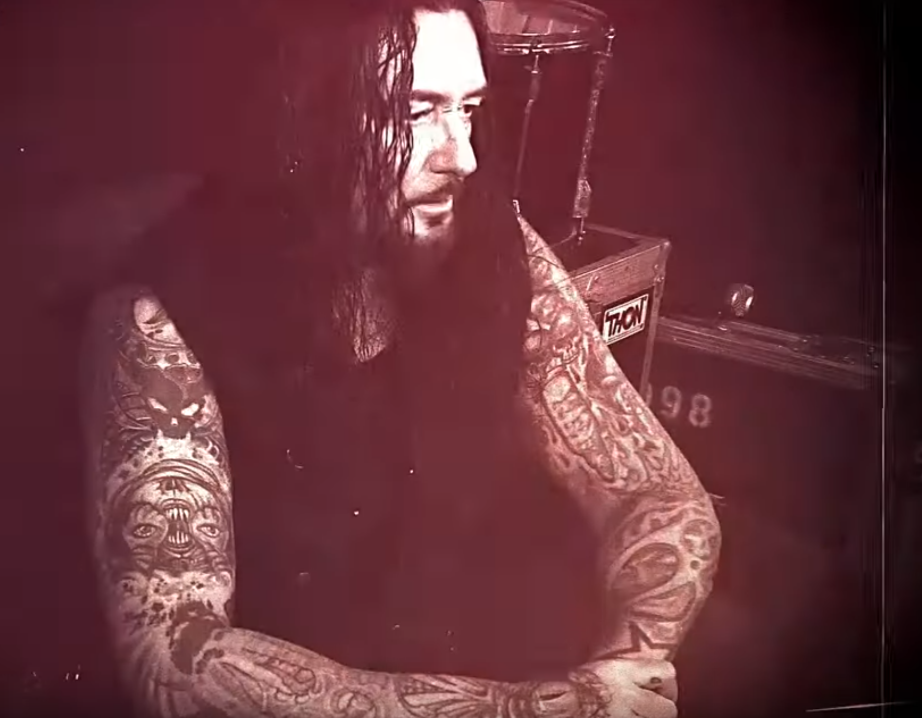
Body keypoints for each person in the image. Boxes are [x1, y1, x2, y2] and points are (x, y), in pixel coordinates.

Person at [78, 1, 721, 716]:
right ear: (300, 120)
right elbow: (176, 654)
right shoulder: (160, 314)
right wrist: (533, 710)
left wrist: (622, 676)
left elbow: (655, 493)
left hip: (524, 665)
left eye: (469, 110)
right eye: (415, 114)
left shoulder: (490, 237)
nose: (461, 157)